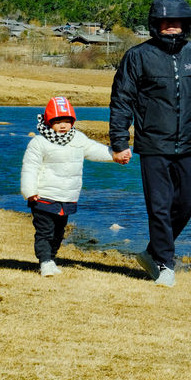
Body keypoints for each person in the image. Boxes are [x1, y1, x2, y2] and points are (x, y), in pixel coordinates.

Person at [109, 0, 191, 287]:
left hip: (189, 143)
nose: (171, 27)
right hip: (152, 145)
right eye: (165, 22)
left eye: (176, 23)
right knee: (159, 206)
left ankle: (152, 252)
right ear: (155, 25)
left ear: (185, 25)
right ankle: (165, 264)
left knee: (187, 201)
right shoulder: (137, 57)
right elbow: (121, 100)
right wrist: (119, 141)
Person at [21, 95, 118, 276]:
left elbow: (95, 150)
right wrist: (30, 191)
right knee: (45, 231)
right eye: (58, 121)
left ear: (73, 121)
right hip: (43, 197)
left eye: (67, 120)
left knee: (59, 232)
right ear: (49, 122)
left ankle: (51, 258)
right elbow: (30, 168)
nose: (63, 125)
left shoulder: (78, 139)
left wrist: (115, 155)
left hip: (67, 198)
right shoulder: (39, 142)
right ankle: (45, 261)